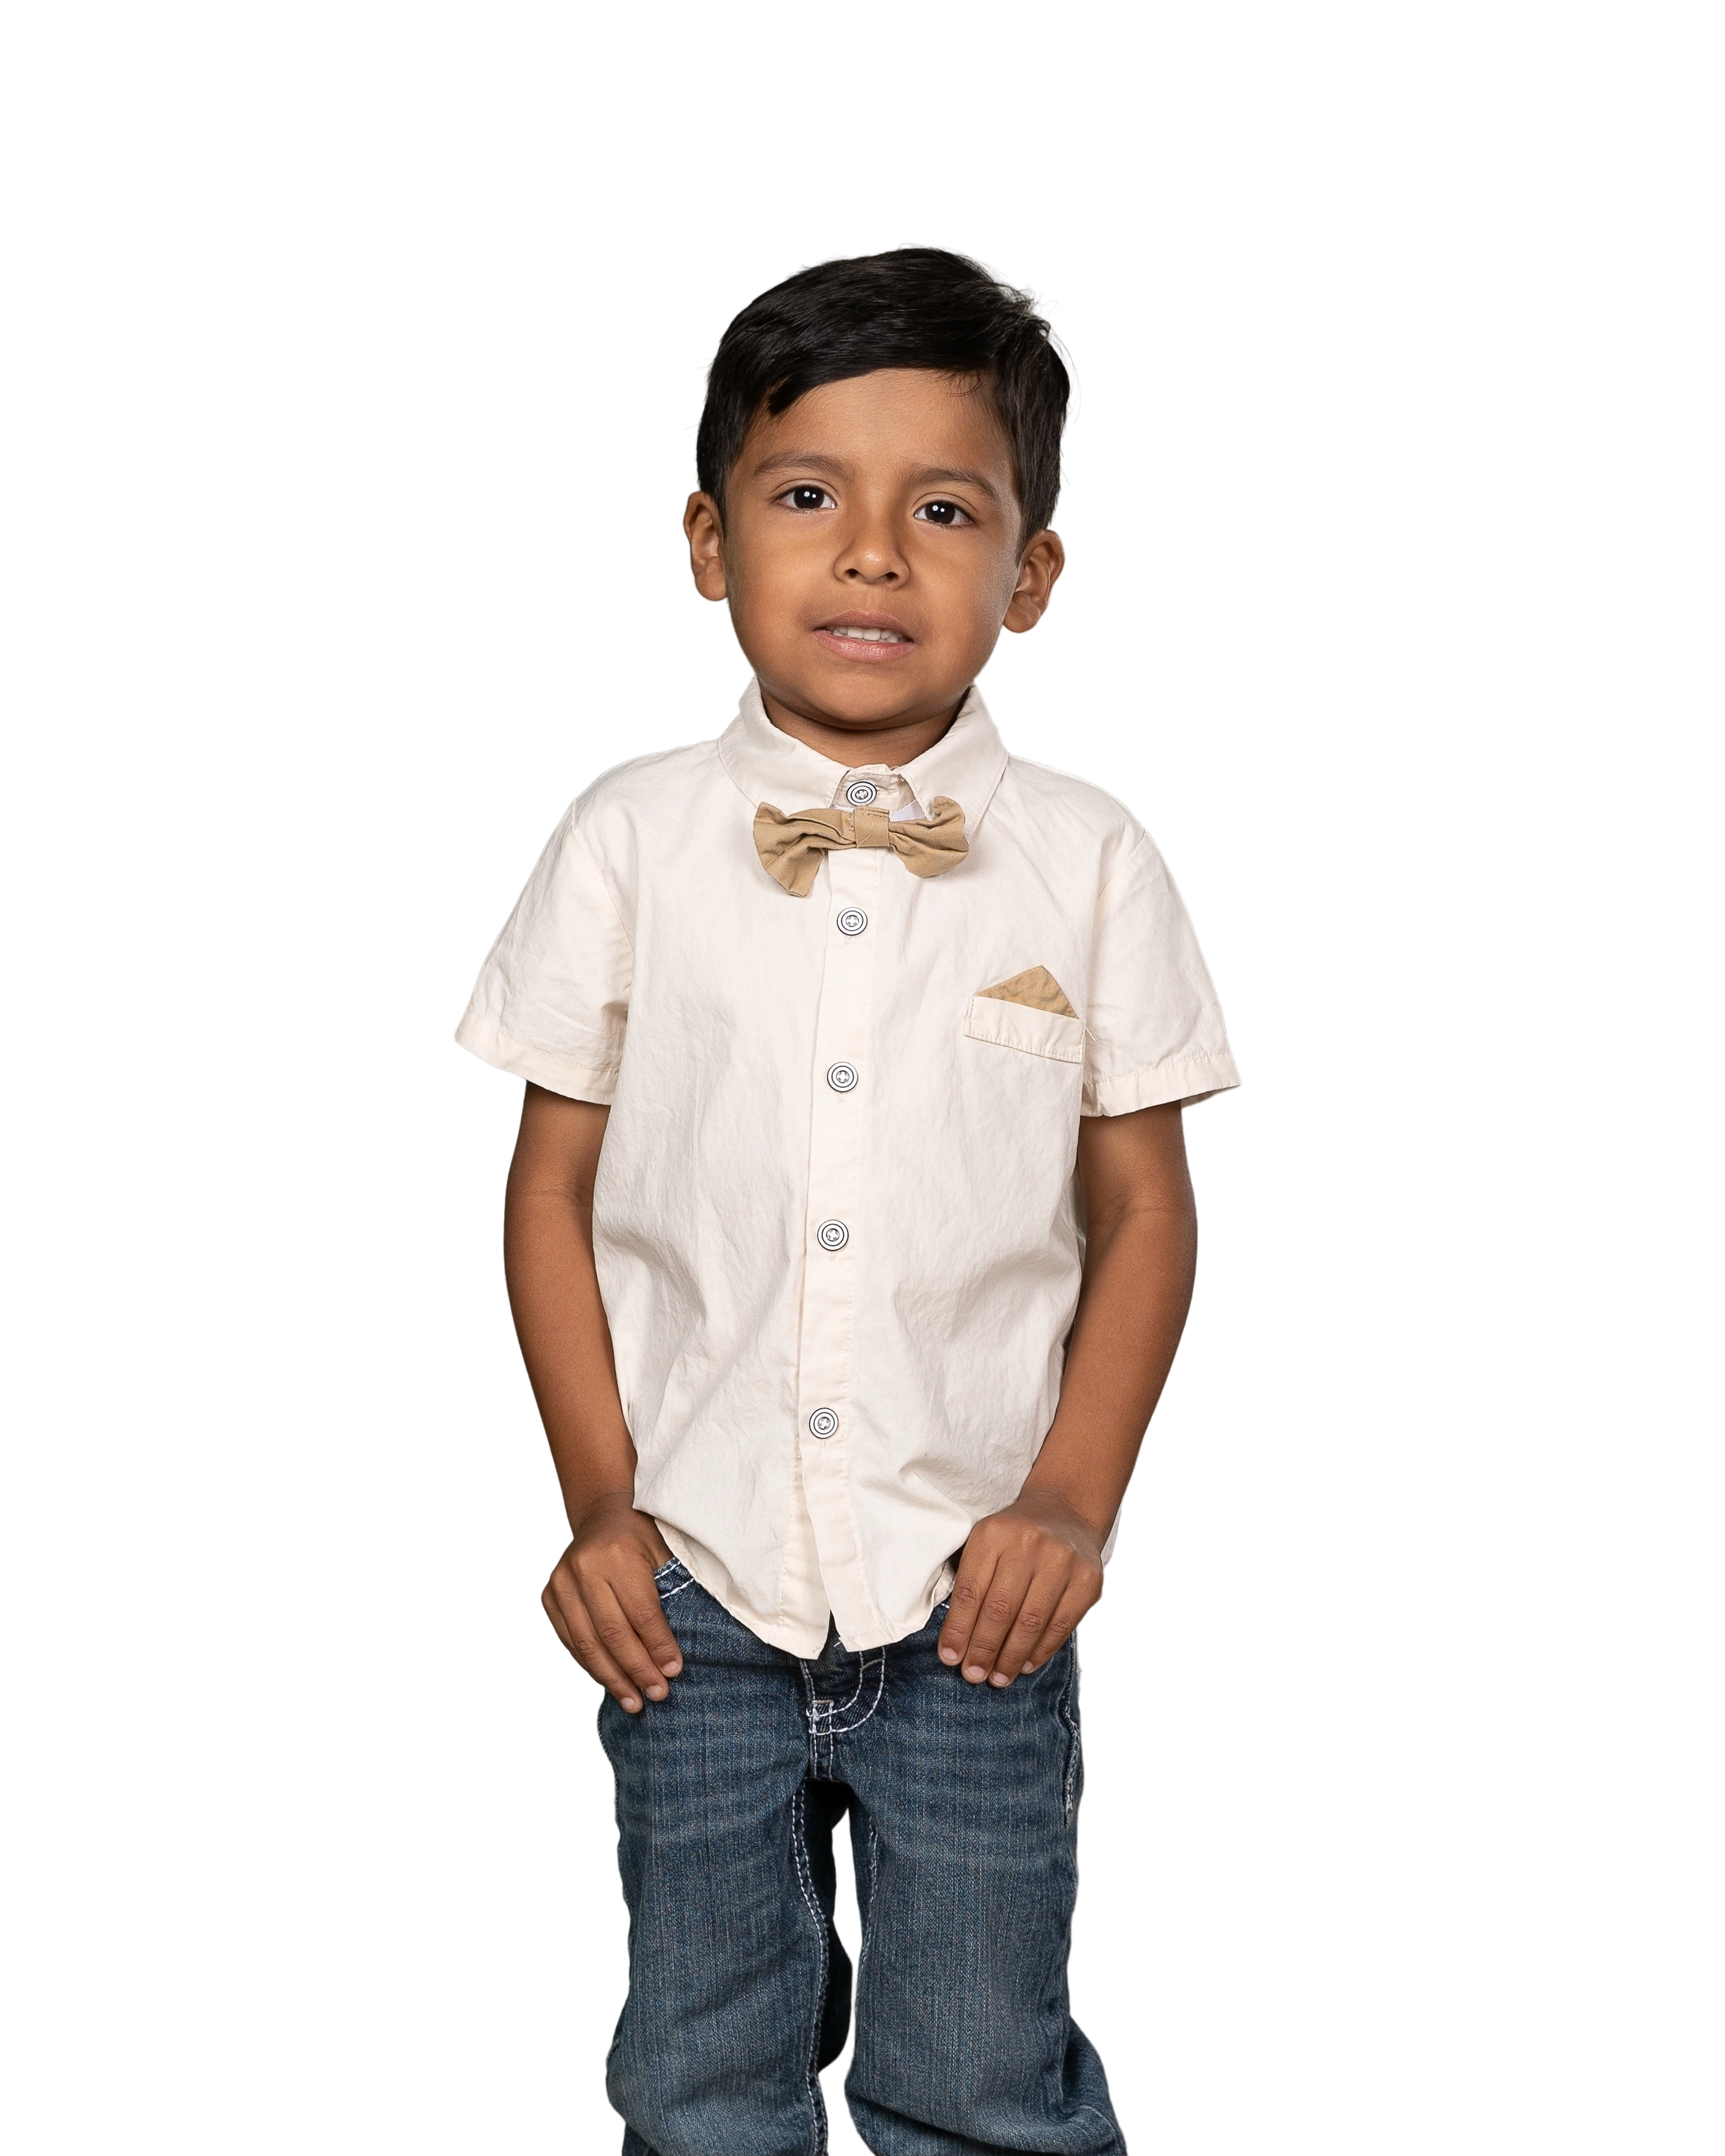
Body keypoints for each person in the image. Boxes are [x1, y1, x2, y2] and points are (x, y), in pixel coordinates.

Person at [451, 239, 1242, 2156]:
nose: (874, 554)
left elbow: (1148, 1215)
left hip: (976, 1595)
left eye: (944, 509)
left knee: (979, 2067)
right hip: (694, 1582)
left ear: (1031, 575)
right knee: (702, 2071)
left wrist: (1072, 1502)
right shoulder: (627, 836)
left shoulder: (1091, 860)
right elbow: (551, 1193)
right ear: (712, 542)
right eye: (809, 495)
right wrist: (600, 1507)